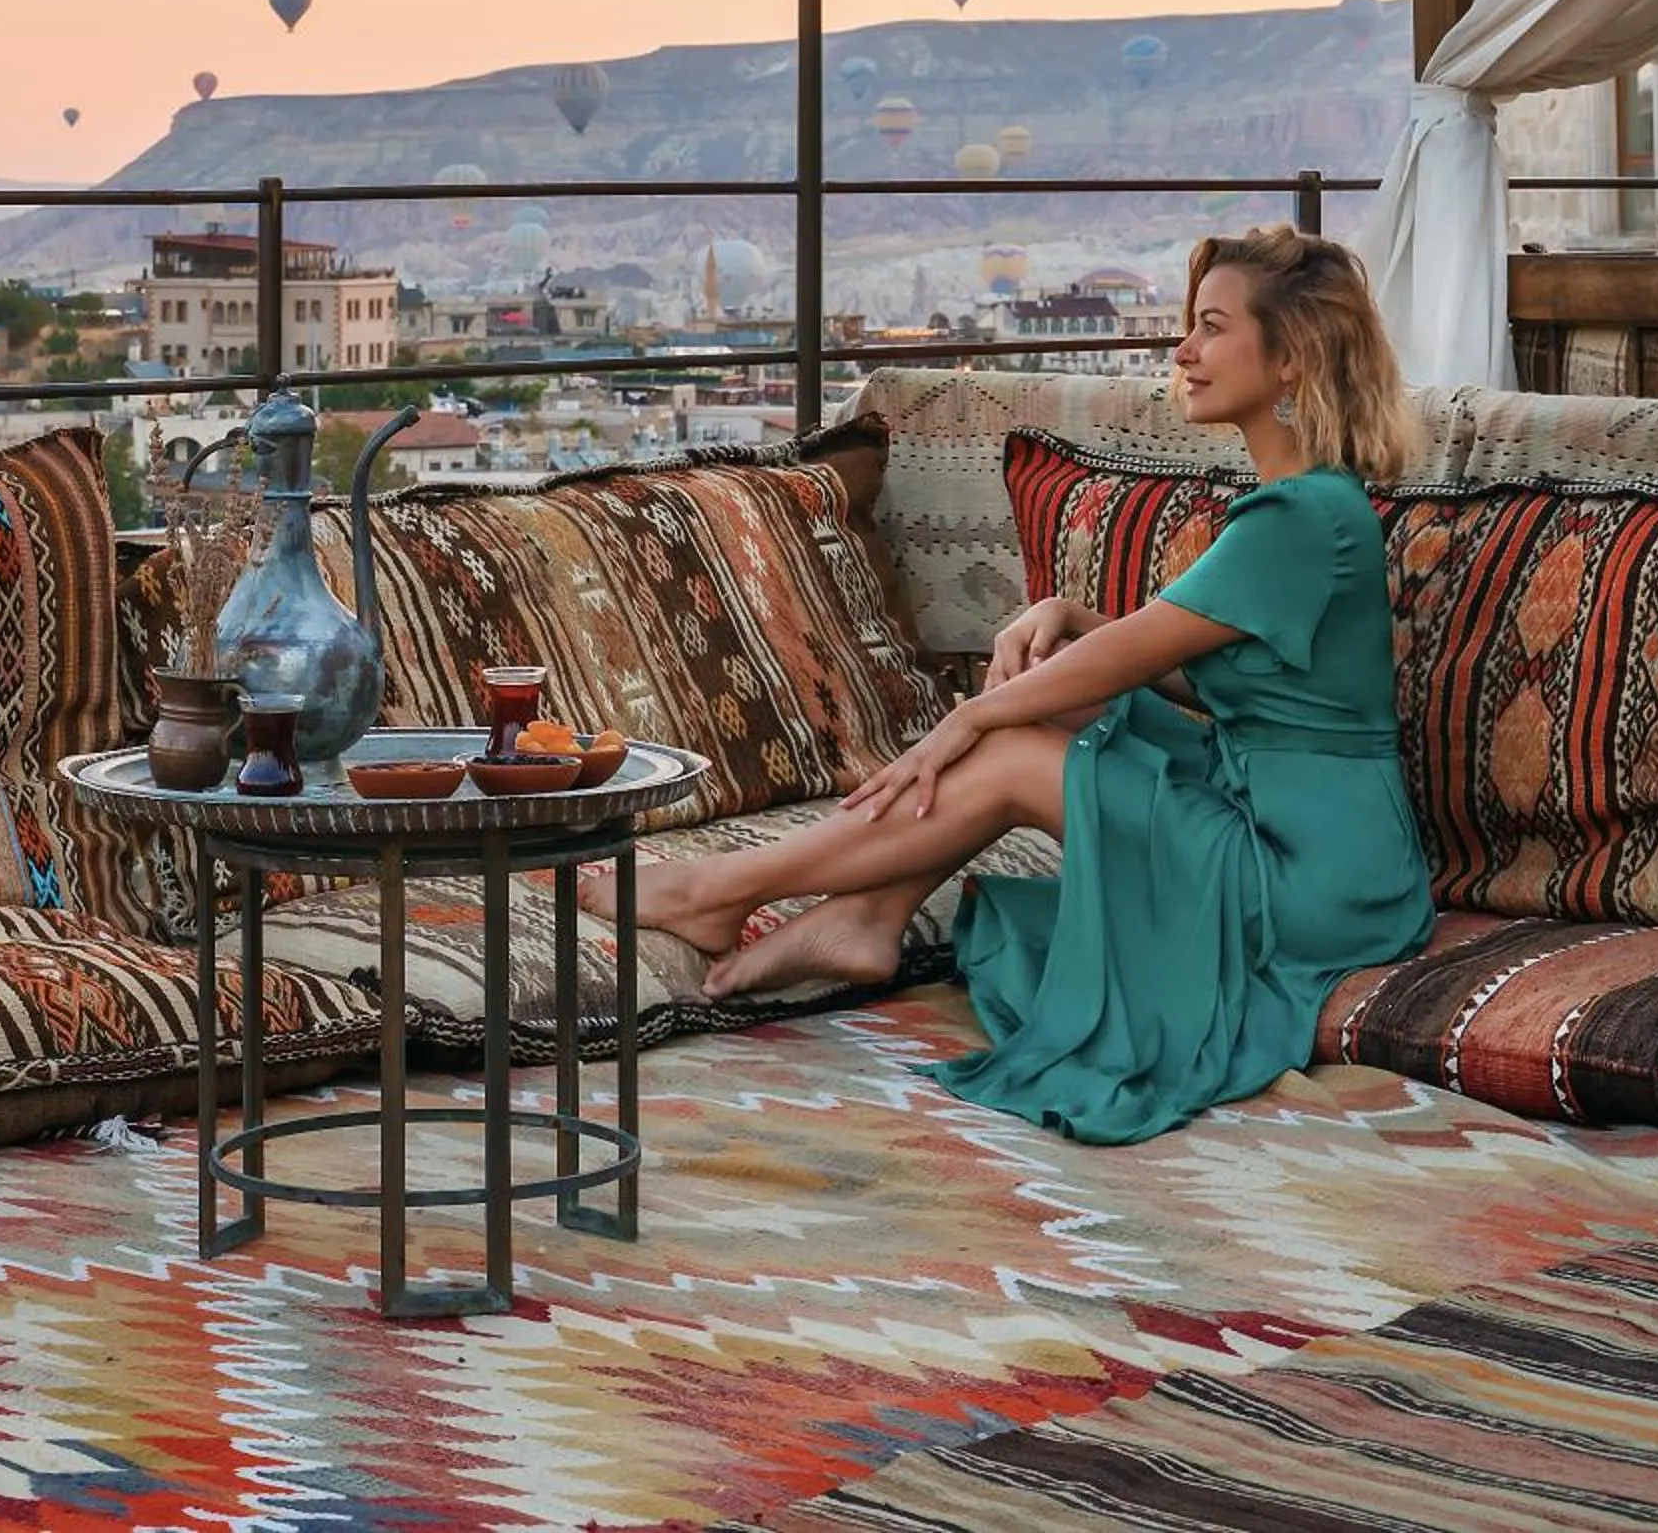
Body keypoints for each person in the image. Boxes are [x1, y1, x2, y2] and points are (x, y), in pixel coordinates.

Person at [580, 227, 1436, 1144]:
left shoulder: (1301, 517)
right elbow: (1198, 670)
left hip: (1314, 878)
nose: (1183, 350)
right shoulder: (1305, 504)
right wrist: (1066, 616)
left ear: (1291, 354)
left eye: (1212, 328)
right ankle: (868, 914)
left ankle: (721, 890)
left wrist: (967, 721)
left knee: (1015, 742)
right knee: (1049, 692)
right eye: (1190, 325)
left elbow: (1134, 655)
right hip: (1282, 820)